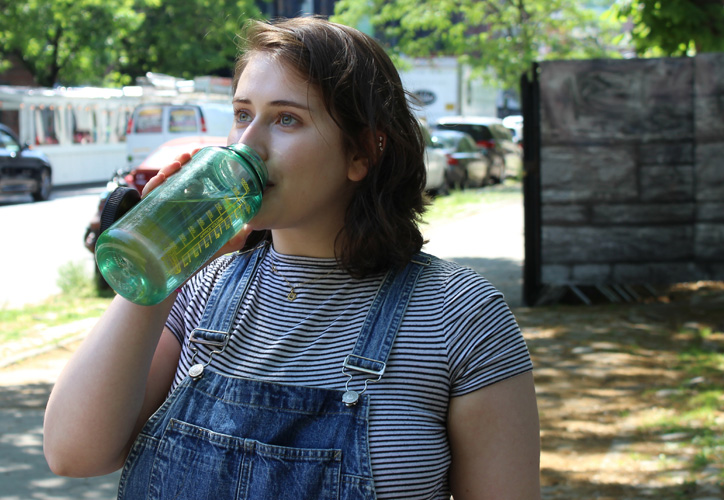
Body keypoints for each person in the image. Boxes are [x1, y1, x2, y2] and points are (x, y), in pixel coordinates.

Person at [43, 16, 541, 500]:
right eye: (242, 114)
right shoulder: (201, 291)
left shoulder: (461, 316)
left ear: (361, 152)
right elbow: (74, 453)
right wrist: (162, 263)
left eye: (286, 119)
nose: (247, 145)